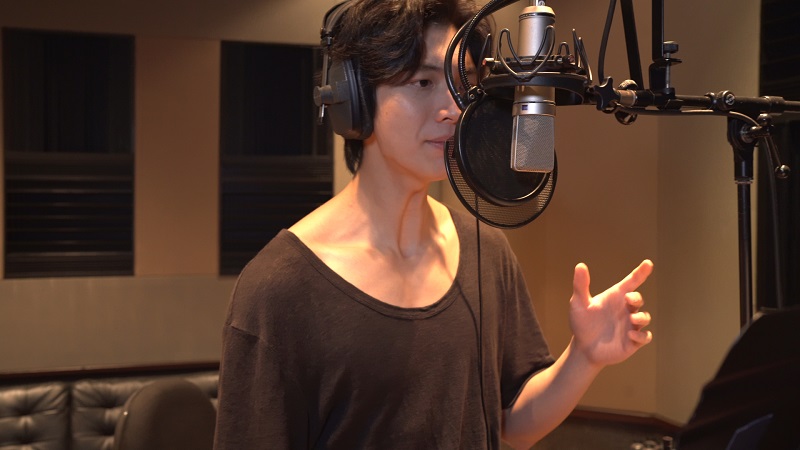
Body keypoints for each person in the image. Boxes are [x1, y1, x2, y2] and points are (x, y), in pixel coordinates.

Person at [213, 0, 653, 448]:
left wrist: (584, 357)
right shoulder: (279, 288)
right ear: (354, 99)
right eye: (423, 83)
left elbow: (509, 424)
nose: (453, 109)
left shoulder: (487, 252)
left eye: (463, 85)